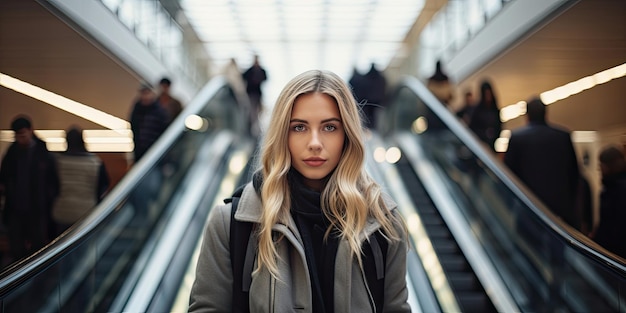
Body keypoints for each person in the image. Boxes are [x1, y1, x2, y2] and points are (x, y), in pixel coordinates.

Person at [189, 70, 410, 312]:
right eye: (299, 128)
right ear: (282, 135)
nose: (314, 143)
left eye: (329, 127)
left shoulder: (383, 225)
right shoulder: (231, 224)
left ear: (347, 135)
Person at [504, 97, 581, 230]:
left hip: (529, 209)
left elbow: (509, 175)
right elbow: (574, 174)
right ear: (546, 114)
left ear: (527, 116)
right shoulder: (563, 137)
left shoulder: (517, 138)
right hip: (559, 212)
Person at [0, 115, 59, 263]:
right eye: (18, 135)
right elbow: (4, 178)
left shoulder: (43, 154)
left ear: (31, 131)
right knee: (16, 248)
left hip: (37, 209)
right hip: (16, 209)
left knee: (38, 247)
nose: (21, 139)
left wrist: (48, 200)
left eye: (23, 134)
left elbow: (53, 182)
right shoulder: (12, 154)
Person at [52, 126, 110, 236]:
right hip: (87, 211)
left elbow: (52, 187)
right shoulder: (95, 163)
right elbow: (103, 186)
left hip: (62, 210)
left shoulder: (58, 162)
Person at [591, 145, 626, 258]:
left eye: (600, 165)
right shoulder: (613, 186)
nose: (599, 168)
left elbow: (612, 225)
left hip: (614, 252)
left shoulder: (614, 189)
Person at [129, 83, 169, 163]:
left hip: (155, 153)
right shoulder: (136, 110)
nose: (145, 96)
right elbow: (134, 130)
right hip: (139, 153)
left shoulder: (160, 112)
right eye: (143, 93)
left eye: (147, 93)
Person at [468, 79, 501, 151]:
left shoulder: (494, 110)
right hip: (481, 145)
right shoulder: (477, 111)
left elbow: (499, 127)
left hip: (492, 144)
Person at [242, 55, 267, 136]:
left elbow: (265, 78)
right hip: (251, 94)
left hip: (258, 94)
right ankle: (253, 129)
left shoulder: (261, 70)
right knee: (252, 110)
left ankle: (258, 128)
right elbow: (243, 77)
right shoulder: (250, 70)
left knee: (258, 110)